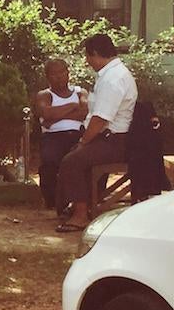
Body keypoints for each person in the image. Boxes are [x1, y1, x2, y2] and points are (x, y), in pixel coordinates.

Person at [55, 34, 137, 233]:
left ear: (97, 54)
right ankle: (83, 203)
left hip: (115, 141)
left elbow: (101, 119)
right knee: (70, 152)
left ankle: (81, 215)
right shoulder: (111, 74)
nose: (87, 61)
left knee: (72, 161)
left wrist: (84, 141)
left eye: (88, 56)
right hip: (108, 137)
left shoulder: (113, 78)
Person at [35, 59, 87, 211]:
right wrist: (72, 106)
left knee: (88, 159)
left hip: (78, 134)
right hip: (53, 136)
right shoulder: (45, 95)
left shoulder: (79, 92)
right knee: (49, 161)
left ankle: (85, 202)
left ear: (68, 73)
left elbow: (84, 112)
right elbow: (45, 112)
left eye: (61, 72)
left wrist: (54, 117)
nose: (58, 77)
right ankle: (52, 202)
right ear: (47, 76)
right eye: (54, 74)